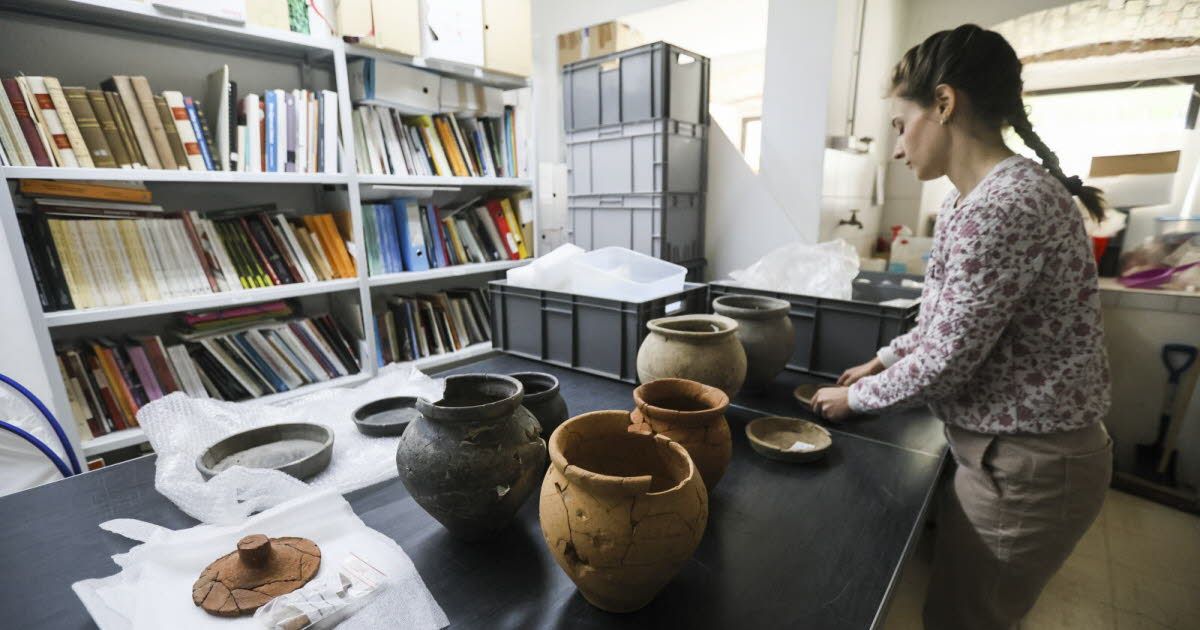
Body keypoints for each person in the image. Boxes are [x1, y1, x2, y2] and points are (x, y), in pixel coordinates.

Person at [810, 24, 1113, 630]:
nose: (898, 149)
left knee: (963, 619)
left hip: (1029, 461)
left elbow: (947, 360)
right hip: (1003, 449)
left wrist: (856, 399)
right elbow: (943, 318)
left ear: (944, 103)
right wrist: (884, 359)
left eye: (901, 125)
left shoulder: (1006, 204)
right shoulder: (964, 202)